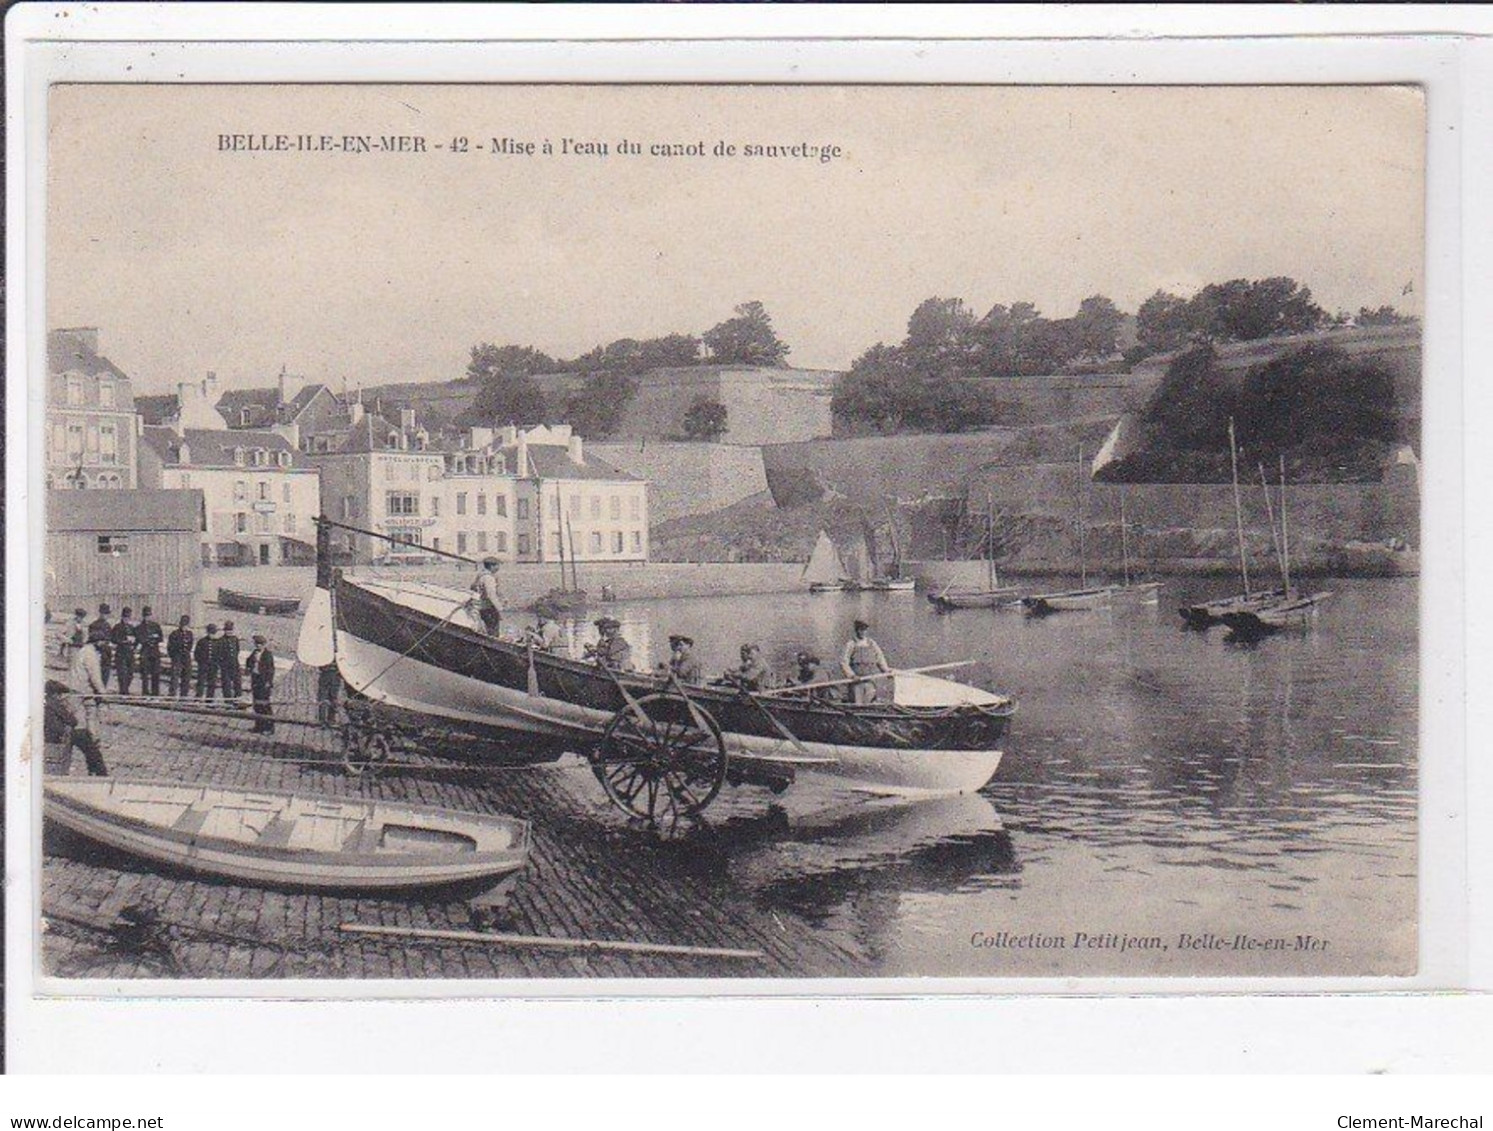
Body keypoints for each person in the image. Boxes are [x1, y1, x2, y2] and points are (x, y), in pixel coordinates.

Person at [45, 678, 108, 777]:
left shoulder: (47, 703)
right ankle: (100, 772)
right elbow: (73, 721)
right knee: (86, 739)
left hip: (53, 734)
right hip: (59, 735)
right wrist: (68, 708)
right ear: (56, 694)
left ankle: (95, 769)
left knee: (84, 738)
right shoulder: (54, 703)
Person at [69, 625, 111, 736]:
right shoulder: (90, 654)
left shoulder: (84, 650)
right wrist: (103, 693)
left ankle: (92, 737)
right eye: (103, 642)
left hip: (79, 686)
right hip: (82, 688)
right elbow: (95, 677)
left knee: (91, 712)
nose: (104, 644)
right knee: (71, 713)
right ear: (97, 642)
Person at [841, 619, 891, 704]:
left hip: (870, 679)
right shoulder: (851, 644)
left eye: (864, 630)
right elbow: (843, 662)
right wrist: (852, 675)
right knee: (857, 702)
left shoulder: (871, 643)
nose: (863, 632)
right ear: (857, 630)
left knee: (869, 699)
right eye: (861, 630)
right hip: (857, 680)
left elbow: (880, 658)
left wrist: (886, 670)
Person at [247, 634, 276, 734]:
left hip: (264, 682)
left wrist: (269, 682)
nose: (258, 646)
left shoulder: (268, 654)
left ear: (264, 645)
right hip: (256, 680)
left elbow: (271, 670)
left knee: (265, 705)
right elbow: (248, 661)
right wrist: (250, 667)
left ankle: (269, 728)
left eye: (260, 644)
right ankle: (258, 726)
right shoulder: (255, 652)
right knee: (256, 705)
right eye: (257, 644)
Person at [469, 556, 504, 635]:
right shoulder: (488, 578)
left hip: (480, 607)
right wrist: (499, 608)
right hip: (487, 607)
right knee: (493, 630)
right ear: (491, 566)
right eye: (497, 565)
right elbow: (491, 595)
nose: (498, 568)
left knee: (488, 628)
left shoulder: (480, 576)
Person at [135, 605, 165, 696]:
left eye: (149, 615)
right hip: (145, 653)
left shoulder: (156, 626)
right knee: (145, 674)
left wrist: (151, 638)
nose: (147, 617)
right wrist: (150, 638)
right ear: (143, 616)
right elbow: (140, 639)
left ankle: (155, 693)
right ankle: (145, 693)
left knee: (156, 674)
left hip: (155, 653)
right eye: (145, 616)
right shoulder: (139, 627)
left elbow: (160, 638)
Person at [110, 607, 138, 696]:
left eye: (128, 617)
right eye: (125, 617)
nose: (127, 619)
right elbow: (113, 639)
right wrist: (123, 641)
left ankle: (126, 689)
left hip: (130, 653)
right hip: (121, 652)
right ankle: (123, 691)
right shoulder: (117, 627)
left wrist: (134, 645)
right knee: (122, 673)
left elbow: (137, 639)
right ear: (122, 617)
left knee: (130, 672)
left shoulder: (131, 628)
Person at [167, 615, 194, 697]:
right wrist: (174, 656)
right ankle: (172, 693)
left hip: (186, 657)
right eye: (183, 625)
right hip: (177, 656)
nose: (184, 627)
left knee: (186, 676)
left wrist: (186, 653)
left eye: (186, 625)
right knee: (175, 676)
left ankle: (184, 694)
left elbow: (190, 645)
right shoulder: (174, 634)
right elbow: (170, 647)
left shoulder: (190, 634)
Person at [89, 603, 114, 687]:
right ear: (100, 613)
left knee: (105, 673)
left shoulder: (108, 625)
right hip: (97, 652)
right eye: (104, 613)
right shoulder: (94, 625)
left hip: (106, 653)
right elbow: (91, 639)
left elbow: (110, 638)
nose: (105, 616)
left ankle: (102, 692)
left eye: (107, 614)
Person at [194, 623, 221, 699]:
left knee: (212, 683)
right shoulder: (202, 641)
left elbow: (219, 654)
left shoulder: (217, 642)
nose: (211, 635)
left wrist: (216, 663)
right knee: (201, 681)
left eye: (213, 633)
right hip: (203, 665)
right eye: (210, 633)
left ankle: (209, 699)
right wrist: (201, 662)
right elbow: (197, 653)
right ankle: (198, 697)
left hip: (213, 665)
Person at [218, 620, 243, 699]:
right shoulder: (221, 640)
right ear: (224, 631)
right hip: (225, 665)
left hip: (235, 664)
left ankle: (238, 699)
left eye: (230, 630)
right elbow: (219, 653)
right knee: (226, 684)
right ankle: (228, 700)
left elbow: (237, 650)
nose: (229, 632)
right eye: (227, 631)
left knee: (238, 683)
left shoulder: (235, 639)